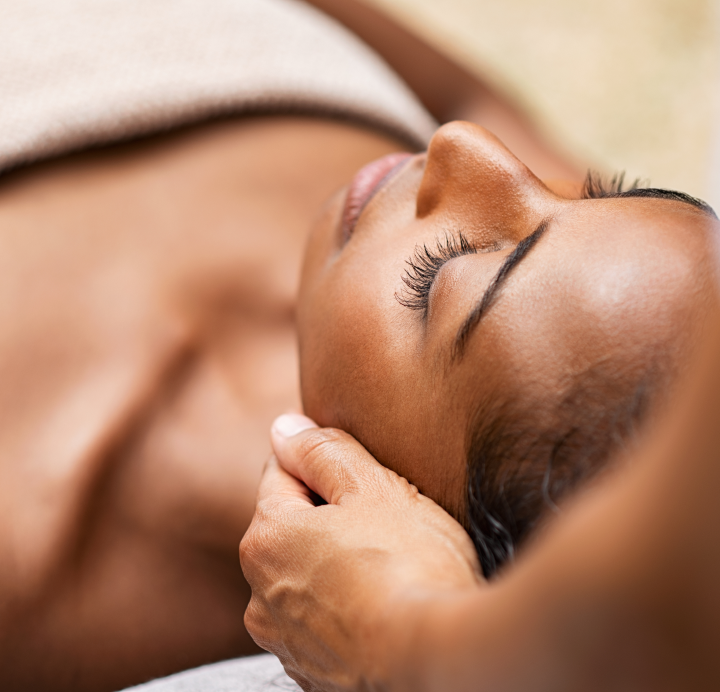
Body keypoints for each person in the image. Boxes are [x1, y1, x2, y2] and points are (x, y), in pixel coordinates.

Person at [0, 2, 715, 692]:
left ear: (411, 529)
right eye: (598, 194)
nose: (461, 144)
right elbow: (460, 94)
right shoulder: (610, 279)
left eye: (447, 272)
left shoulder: (34, 574)